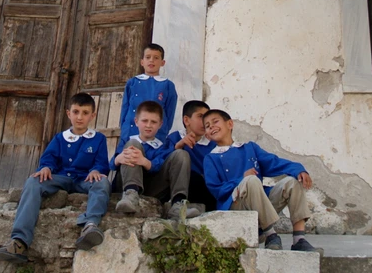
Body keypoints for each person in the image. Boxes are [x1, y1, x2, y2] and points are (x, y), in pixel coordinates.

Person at [0, 93, 111, 265]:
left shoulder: (98, 139)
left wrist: (96, 170)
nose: (80, 117)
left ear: (92, 116)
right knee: (33, 182)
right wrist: (46, 167)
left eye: (85, 113)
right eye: (76, 112)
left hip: (84, 179)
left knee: (103, 182)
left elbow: (102, 162)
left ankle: (90, 225)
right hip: (61, 178)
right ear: (68, 113)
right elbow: (49, 158)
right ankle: (19, 241)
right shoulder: (60, 138)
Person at [202, 109, 319, 253]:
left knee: (292, 182)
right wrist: (241, 179)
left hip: (261, 202)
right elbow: (216, 189)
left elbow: (274, 162)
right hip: (236, 206)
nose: (212, 127)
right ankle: (270, 235)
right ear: (207, 135)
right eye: (207, 126)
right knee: (251, 180)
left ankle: (299, 239)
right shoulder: (210, 158)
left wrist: (298, 169)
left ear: (230, 124)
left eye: (215, 122)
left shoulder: (249, 148)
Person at [111, 100, 201, 220]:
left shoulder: (163, 145)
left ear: (160, 124)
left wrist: (145, 162)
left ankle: (178, 205)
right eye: (145, 121)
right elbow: (111, 165)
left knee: (181, 154)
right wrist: (118, 159)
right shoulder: (127, 140)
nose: (148, 125)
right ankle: (131, 194)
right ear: (136, 121)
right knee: (133, 145)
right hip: (125, 184)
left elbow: (161, 164)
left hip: (153, 187)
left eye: (153, 122)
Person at [119, 43, 177, 144]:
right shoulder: (132, 82)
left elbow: (169, 112)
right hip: (130, 131)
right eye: (148, 57)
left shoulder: (167, 85)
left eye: (156, 58)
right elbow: (125, 107)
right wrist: (124, 127)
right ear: (142, 62)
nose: (151, 60)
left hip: (156, 133)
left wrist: (163, 129)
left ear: (162, 62)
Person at [167, 100, 217, 211]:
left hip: (204, 188)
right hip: (180, 186)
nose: (205, 122)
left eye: (207, 117)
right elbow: (164, 163)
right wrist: (178, 146)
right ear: (186, 120)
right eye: (200, 116)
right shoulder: (174, 138)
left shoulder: (212, 144)